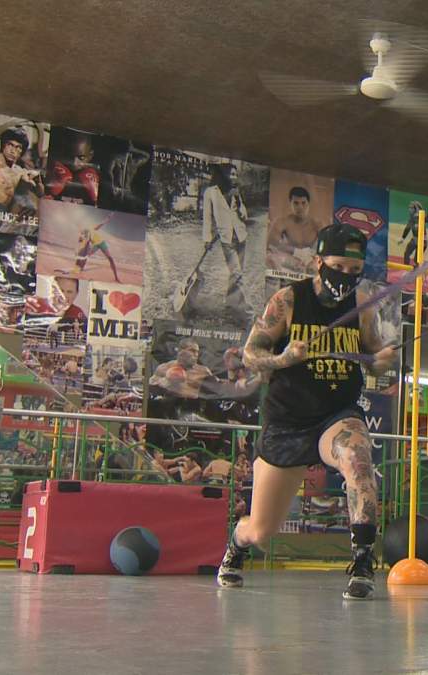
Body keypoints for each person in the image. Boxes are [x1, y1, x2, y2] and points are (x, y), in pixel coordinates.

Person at [217, 223, 396, 600]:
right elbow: (251, 354)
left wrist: (382, 360)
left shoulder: (362, 309)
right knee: (262, 531)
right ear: (318, 262)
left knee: (359, 461)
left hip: (337, 414)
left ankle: (362, 561)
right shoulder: (288, 300)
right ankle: (237, 543)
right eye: (338, 266)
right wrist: (284, 357)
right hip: (287, 421)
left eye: (353, 269)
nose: (345, 277)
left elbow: (375, 358)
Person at [199, 163, 250, 321]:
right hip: (227, 239)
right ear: (223, 174)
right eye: (232, 174)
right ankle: (250, 313)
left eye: (236, 174)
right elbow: (207, 218)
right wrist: (207, 239)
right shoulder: (210, 193)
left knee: (236, 273)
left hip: (241, 237)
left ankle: (229, 304)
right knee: (237, 274)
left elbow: (244, 216)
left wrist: (239, 200)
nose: (235, 177)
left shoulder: (235, 191)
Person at [267, 186, 322, 274]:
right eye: (296, 203)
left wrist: (314, 260)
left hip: (310, 261)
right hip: (288, 259)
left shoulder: (317, 224)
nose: (300, 207)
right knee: (271, 259)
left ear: (308, 204)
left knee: (317, 267)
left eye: (303, 203)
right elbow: (271, 247)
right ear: (290, 204)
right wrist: (294, 254)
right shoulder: (282, 222)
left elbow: (327, 249)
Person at [148, 338, 213, 399]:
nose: (196, 354)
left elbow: (216, 389)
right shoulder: (164, 368)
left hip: (194, 407)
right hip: (169, 406)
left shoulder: (203, 371)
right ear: (180, 351)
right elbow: (150, 386)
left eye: (197, 352)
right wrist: (163, 382)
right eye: (192, 351)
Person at [47, 134, 101, 205]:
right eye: (70, 156)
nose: (74, 162)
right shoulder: (53, 170)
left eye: (81, 158)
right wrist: (49, 193)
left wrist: (96, 200)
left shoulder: (99, 179)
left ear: (90, 156)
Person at [72, 211, 121, 281]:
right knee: (85, 255)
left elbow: (102, 224)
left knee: (110, 258)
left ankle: (116, 277)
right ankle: (81, 268)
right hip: (95, 245)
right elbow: (82, 242)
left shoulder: (91, 228)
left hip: (101, 243)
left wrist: (108, 218)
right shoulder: (83, 233)